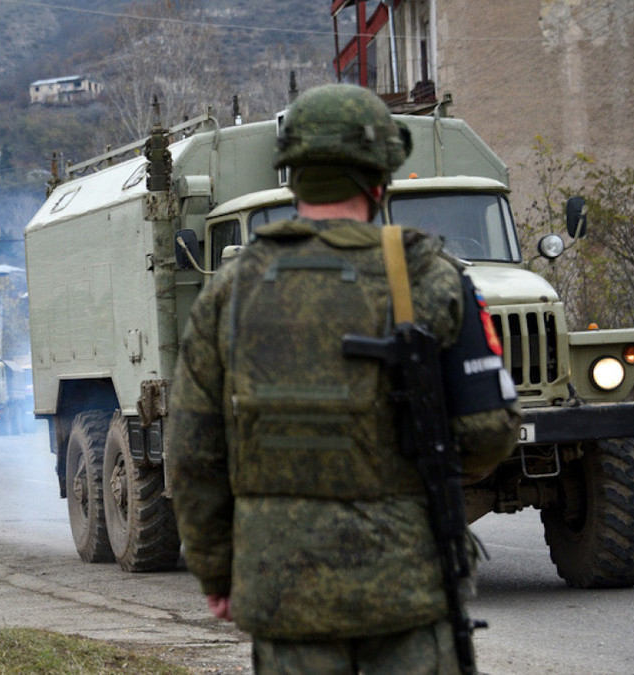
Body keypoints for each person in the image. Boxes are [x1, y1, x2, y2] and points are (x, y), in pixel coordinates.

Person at [167, 83, 521, 674]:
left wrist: (216, 570)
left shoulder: (230, 290)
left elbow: (192, 453)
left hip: (281, 587)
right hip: (409, 584)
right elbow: (489, 432)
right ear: (380, 175)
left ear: (291, 174)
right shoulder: (432, 277)